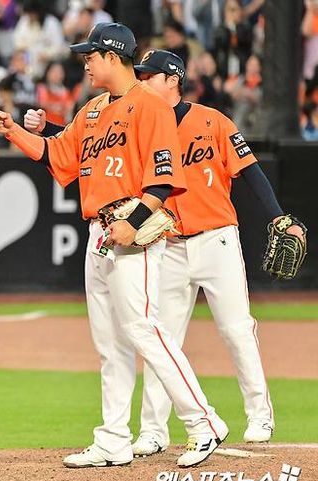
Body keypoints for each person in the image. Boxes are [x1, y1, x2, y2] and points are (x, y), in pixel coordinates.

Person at [0, 22, 228, 469]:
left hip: (132, 228)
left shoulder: (150, 105)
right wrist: (14, 133)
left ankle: (204, 422)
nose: (86, 63)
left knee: (143, 329)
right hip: (99, 231)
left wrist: (134, 224)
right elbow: (59, 155)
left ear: (113, 57)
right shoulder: (93, 109)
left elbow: (163, 178)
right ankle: (114, 438)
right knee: (111, 343)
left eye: (91, 55)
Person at [128, 49, 306, 455]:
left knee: (237, 329)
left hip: (217, 240)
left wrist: (278, 216)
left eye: (148, 76)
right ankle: (153, 430)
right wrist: (47, 128)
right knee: (163, 339)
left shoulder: (213, 121)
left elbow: (251, 172)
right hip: (168, 245)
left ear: (172, 79)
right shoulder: (140, 126)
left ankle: (259, 414)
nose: (141, 82)